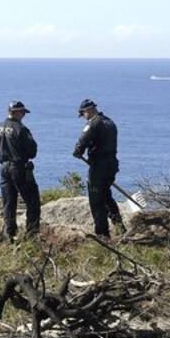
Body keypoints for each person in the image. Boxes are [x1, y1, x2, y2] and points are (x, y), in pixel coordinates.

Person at [71, 99, 124, 237]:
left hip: (99, 165)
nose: (84, 117)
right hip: (112, 163)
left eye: (83, 114)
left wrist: (77, 151)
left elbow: (82, 141)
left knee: (96, 200)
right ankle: (120, 227)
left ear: (87, 111)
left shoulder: (93, 123)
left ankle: (102, 234)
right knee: (106, 195)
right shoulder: (110, 122)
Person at [0, 100, 40, 239]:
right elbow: (32, 152)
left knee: (8, 203)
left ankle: (9, 235)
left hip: (4, 168)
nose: (24, 116)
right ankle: (32, 235)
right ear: (17, 112)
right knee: (33, 203)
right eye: (23, 113)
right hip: (19, 168)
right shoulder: (21, 129)